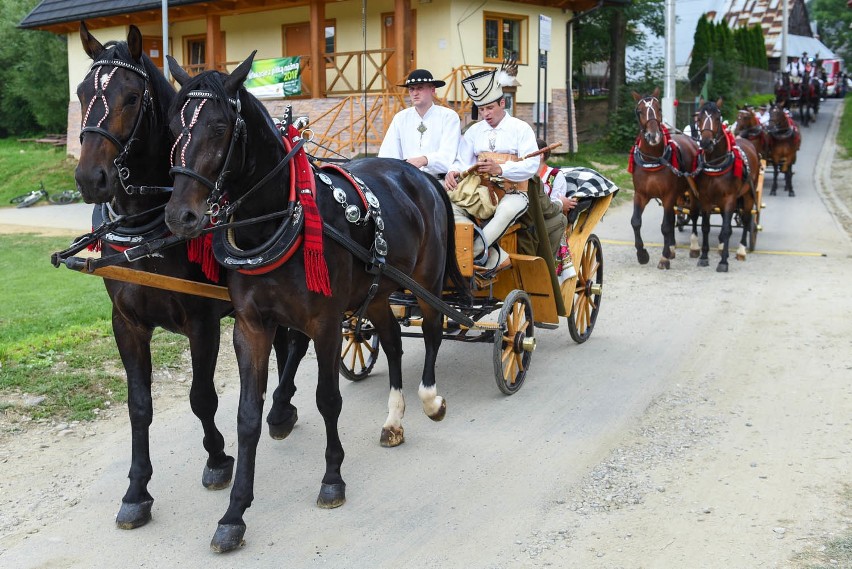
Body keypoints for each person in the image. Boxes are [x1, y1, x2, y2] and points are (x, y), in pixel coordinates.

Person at [445, 68, 539, 274]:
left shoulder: (520, 128)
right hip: (481, 192)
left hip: (514, 193)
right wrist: (453, 171)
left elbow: (532, 166)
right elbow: (462, 160)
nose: (485, 114)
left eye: (489, 108)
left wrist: (501, 169)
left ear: (502, 103)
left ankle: (474, 253)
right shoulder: (474, 131)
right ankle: (496, 255)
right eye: (481, 109)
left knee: (505, 211)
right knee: (447, 205)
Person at [378, 69, 460, 179]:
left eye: (420, 88)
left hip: (438, 182)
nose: (415, 93)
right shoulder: (400, 118)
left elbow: (448, 156)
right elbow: (387, 155)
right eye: (411, 89)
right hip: (406, 181)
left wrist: (424, 160)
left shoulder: (448, 117)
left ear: (432, 90)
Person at [535, 138, 577, 279]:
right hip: (536, 214)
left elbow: (554, 201)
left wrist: (559, 202)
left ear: (541, 155)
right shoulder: (524, 173)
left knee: (559, 220)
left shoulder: (555, 175)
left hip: (548, 216)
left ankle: (549, 265)